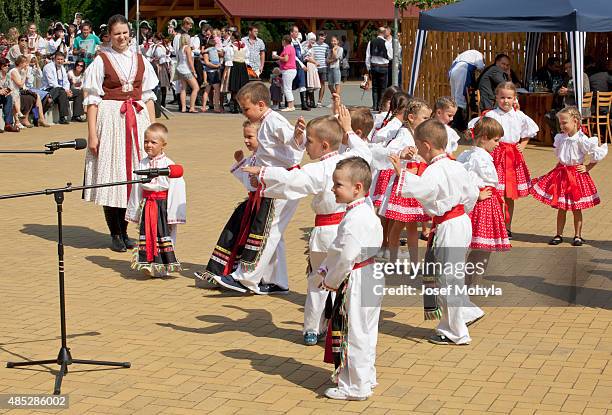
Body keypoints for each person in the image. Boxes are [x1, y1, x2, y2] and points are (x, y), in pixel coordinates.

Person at [243, 107, 371, 346]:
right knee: (345, 278)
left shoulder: (321, 168)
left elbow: (293, 180)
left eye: (309, 142)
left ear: (324, 145)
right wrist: (348, 130)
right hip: (349, 232)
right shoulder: (352, 161)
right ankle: (343, 326)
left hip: (325, 233)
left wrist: (263, 173)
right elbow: (366, 152)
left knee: (316, 280)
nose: (305, 147)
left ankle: (312, 328)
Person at [202, 82, 304, 294]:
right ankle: (277, 280)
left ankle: (245, 278)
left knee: (266, 231)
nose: (244, 113)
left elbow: (294, 144)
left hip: (282, 180)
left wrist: (298, 134)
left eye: (246, 109)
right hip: (275, 179)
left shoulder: (274, 121)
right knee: (275, 232)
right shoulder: (267, 121)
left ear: (260, 104)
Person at [389, 119, 482, 345]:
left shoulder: (435, 170)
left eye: (420, 147)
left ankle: (456, 331)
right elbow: (472, 195)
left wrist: (401, 174)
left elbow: (423, 190)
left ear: (427, 145)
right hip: (460, 221)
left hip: (449, 224)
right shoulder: (456, 165)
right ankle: (462, 315)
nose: (419, 152)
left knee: (447, 278)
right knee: (451, 275)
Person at [82, 14, 159, 252]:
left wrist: (154, 130)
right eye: (117, 34)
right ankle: (115, 233)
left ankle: (126, 231)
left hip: (136, 119)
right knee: (113, 177)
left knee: (134, 178)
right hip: (112, 121)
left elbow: (147, 96)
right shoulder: (101, 60)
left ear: (130, 33)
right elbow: (92, 100)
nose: (121, 37)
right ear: (109, 36)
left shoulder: (140, 60)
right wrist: (93, 134)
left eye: (125, 32)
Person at [317, 156, 383, 401]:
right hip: (370, 273)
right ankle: (365, 377)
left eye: (338, 185)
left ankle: (354, 386)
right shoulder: (364, 210)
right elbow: (341, 249)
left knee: (354, 331)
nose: (333, 189)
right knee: (366, 330)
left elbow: (345, 255)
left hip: (356, 276)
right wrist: (326, 268)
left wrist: (331, 279)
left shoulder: (356, 218)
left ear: (357, 188)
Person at [530, 106, 608, 246]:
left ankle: (577, 235)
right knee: (561, 207)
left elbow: (596, 154)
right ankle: (559, 234)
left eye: (565, 122)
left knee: (576, 207)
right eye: (560, 123)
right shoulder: (561, 138)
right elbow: (561, 156)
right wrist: (556, 169)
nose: (562, 125)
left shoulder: (582, 139)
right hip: (561, 174)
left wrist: (588, 167)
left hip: (576, 176)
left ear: (576, 121)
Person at [126, 123, 186, 277]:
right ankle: (149, 263)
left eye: (153, 142)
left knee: (163, 233)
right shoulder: (142, 163)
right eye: (146, 141)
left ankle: (164, 265)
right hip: (147, 204)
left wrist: (174, 213)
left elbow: (177, 188)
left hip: (163, 205)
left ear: (163, 145)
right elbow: (137, 187)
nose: (148, 145)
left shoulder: (169, 165)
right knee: (148, 233)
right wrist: (135, 209)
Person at [376, 98, 431, 264]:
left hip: (414, 183)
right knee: (399, 225)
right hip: (403, 184)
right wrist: (402, 153)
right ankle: (392, 259)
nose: (427, 121)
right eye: (424, 118)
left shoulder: (419, 134)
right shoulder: (404, 133)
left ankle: (414, 262)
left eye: (429, 118)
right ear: (412, 118)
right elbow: (390, 150)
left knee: (413, 225)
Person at [482, 82, 539, 237]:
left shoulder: (519, 115)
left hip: (512, 157)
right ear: (496, 97)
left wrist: (523, 144)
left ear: (515, 98)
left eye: (509, 97)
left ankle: (507, 226)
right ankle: (494, 224)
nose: (505, 101)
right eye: (502, 97)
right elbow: (481, 133)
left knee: (509, 193)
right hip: (495, 155)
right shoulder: (491, 115)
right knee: (494, 192)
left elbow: (529, 131)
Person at [457, 117, 510, 281]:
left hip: (485, 202)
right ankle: (470, 282)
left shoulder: (472, 154)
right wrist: (477, 194)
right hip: (482, 204)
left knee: (480, 247)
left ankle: (470, 281)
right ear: (484, 137)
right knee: (482, 247)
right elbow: (467, 179)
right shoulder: (477, 157)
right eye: (495, 140)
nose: (497, 144)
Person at [368, 92, 410, 259]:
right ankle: (385, 245)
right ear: (404, 110)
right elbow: (377, 138)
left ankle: (386, 245)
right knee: (386, 212)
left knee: (387, 212)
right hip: (390, 169)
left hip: (391, 167)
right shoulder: (395, 125)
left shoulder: (394, 123)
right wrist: (392, 151)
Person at [448, 50, 485, 131]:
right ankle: (458, 123)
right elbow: (481, 67)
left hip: (453, 70)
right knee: (460, 98)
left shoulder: (465, 54)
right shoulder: (478, 54)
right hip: (462, 71)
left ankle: (453, 120)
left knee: (454, 97)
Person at [42, 52, 84, 124]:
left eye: (61, 59)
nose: (60, 61)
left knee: (78, 92)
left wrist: (68, 90)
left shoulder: (62, 68)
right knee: (62, 92)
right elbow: (52, 83)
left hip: (62, 89)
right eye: (58, 59)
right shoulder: (48, 67)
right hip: (50, 89)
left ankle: (76, 115)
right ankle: (62, 117)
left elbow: (66, 82)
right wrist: (65, 91)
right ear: (54, 59)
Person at [365, 28, 392, 111]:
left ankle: (375, 105)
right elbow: (391, 56)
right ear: (384, 33)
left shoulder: (371, 42)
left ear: (377, 32)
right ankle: (381, 106)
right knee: (383, 88)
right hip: (383, 66)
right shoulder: (387, 43)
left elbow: (368, 56)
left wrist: (368, 68)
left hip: (374, 66)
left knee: (375, 87)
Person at [146, 33, 172, 110]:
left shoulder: (159, 47)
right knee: (160, 85)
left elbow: (162, 58)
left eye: (154, 37)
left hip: (160, 67)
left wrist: (157, 63)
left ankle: (162, 103)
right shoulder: (156, 46)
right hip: (158, 66)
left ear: (156, 38)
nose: (152, 38)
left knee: (161, 85)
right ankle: (160, 103)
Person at [175, 33, 199, 113]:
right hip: (186, 70)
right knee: (196, 88)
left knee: (183, 88)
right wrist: (194, 71)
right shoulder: (187, 48)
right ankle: (192, 107)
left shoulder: (180, 48)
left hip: (180, 69)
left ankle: (183, 108)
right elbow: (189, 61)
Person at [228, 33, 250, 113]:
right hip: (242, 66)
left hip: (235, 66)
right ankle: (239, 106)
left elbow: (229, 56)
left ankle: (234, 106)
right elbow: (247, 56)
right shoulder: (245, 46)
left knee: (235, 87)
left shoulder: (231, 46)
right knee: (241, 87)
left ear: (233, 37)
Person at [274, 35, 297, 112]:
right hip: (291, 70)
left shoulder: (287, 48)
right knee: (288, 88)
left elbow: (286, 59)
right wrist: (280, 61)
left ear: (284, 41)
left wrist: (277, 57)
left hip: (288, 71)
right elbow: (288, 59)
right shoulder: (292, 47)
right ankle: (292, 105)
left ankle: (290, 106)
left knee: (287, 88)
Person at [202, 38, 222, 112]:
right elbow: (207, 63)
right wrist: (217, 66)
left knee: (207, 90)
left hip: (209, 72)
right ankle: (216, 107)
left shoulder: (207, 51)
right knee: (216, 90)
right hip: (212, 72)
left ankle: (204, 107)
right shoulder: (213, 51)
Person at [302, 32, 320, 109]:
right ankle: (308, 102)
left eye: (314, 40)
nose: (313, 41)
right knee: (308, 84)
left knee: (311, 85)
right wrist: (315, 62)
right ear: (308, 39)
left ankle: (312, 102)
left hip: (312, 67)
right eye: (312, 39)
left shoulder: (311, 47)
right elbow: (307, 58)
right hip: (308, 66)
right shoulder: (305, 47)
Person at [0, 58, 19, 132]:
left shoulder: (8, 76)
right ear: (1, 66)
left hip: (3, 95)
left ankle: (8, 124)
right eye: (5, 65)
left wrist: (6, 91)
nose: (7, 67)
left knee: (9, 97)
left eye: (8, 65)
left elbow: (10, 88)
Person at [312, 31, 329, 107]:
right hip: (314, 67)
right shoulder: (313, 45)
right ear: (318, 36)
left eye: (324, 37)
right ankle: (311, 101)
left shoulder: (326, 46)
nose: (322, 38)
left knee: (323, 84)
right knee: (312, 84)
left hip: (323, 67)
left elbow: (327, 56)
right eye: (321, 36)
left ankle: (319, 101)